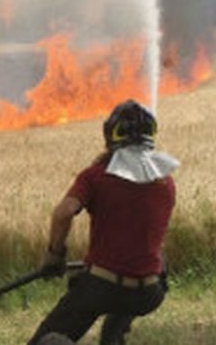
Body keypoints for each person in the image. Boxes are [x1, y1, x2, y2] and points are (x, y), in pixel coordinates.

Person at [29, 99, 179, 345]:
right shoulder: (166, 182)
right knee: (154, 264)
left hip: (103, 288)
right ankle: (113, 337)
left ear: (111, 135)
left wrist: (55, 255)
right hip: (149, 293)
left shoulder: (96, 177)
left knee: (47, 341)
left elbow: (64, 213)